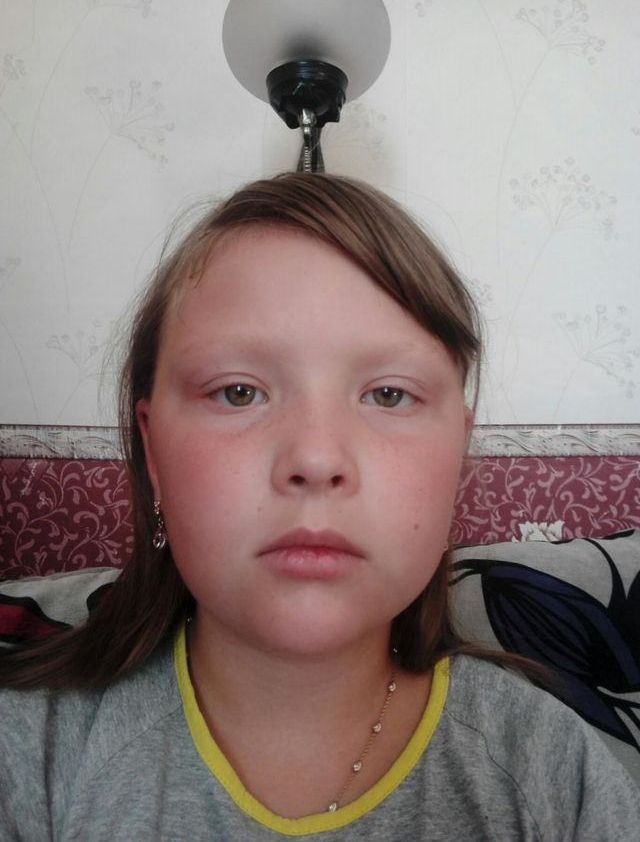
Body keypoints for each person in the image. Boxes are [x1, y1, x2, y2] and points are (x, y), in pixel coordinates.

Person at [0, 173, 638, 841]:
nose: (315, 456)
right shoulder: (32, 760)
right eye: (239, 391)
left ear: (458, 451)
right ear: (153, 451)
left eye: (388, 395)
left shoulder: (552, 777)